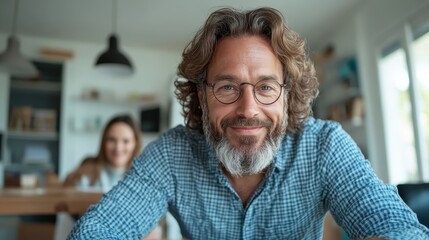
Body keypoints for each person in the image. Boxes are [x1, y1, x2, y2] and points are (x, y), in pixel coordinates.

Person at [68, 7, 429, 239]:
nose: (248, 108)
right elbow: (99, 230)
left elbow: (396, 226)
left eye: (266, 87)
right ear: (201, 95)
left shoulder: (325, 146)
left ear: (287, 95)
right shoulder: (171, 155)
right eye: (227, 86)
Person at [58, 115, 160, 239]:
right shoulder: (88, 168)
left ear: (135, 144)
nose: (118, 147)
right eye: (112, 140)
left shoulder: (143, 178)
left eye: (126, 141)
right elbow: (66, 201)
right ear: (103, 142)